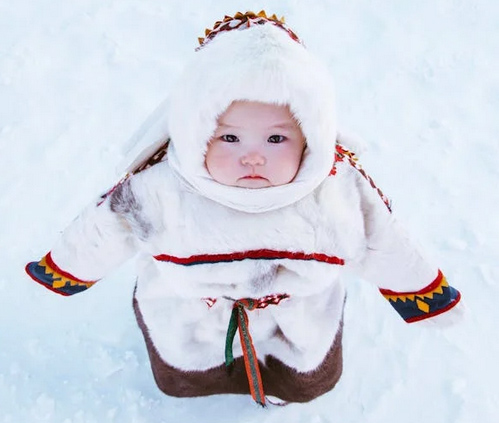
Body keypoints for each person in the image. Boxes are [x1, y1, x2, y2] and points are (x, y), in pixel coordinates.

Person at [25, 11, 461, 407]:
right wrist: (68, 268)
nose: (253, 157)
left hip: (298, 314)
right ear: (195, 133)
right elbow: (107, 227)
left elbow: (384, 239)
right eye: (230, 138)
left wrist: (422, 293)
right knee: (188, 369)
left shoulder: (334, 188)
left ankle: (285, 386)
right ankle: (199, 392)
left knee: (302, 373)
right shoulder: (163, 186)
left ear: (312, 137)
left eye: (276, 139)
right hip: (190, 311)